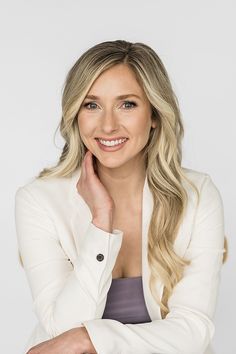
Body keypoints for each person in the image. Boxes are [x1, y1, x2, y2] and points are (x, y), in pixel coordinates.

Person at [15, 39, 227, 354]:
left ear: (154, 114)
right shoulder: (38, 200)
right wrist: (101, 222)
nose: (108, 125)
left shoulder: (197, 196)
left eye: (127, 104)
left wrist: (90, 340)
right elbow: (61, 329)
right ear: (76, 114)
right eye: (91, 105)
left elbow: (194, 330)